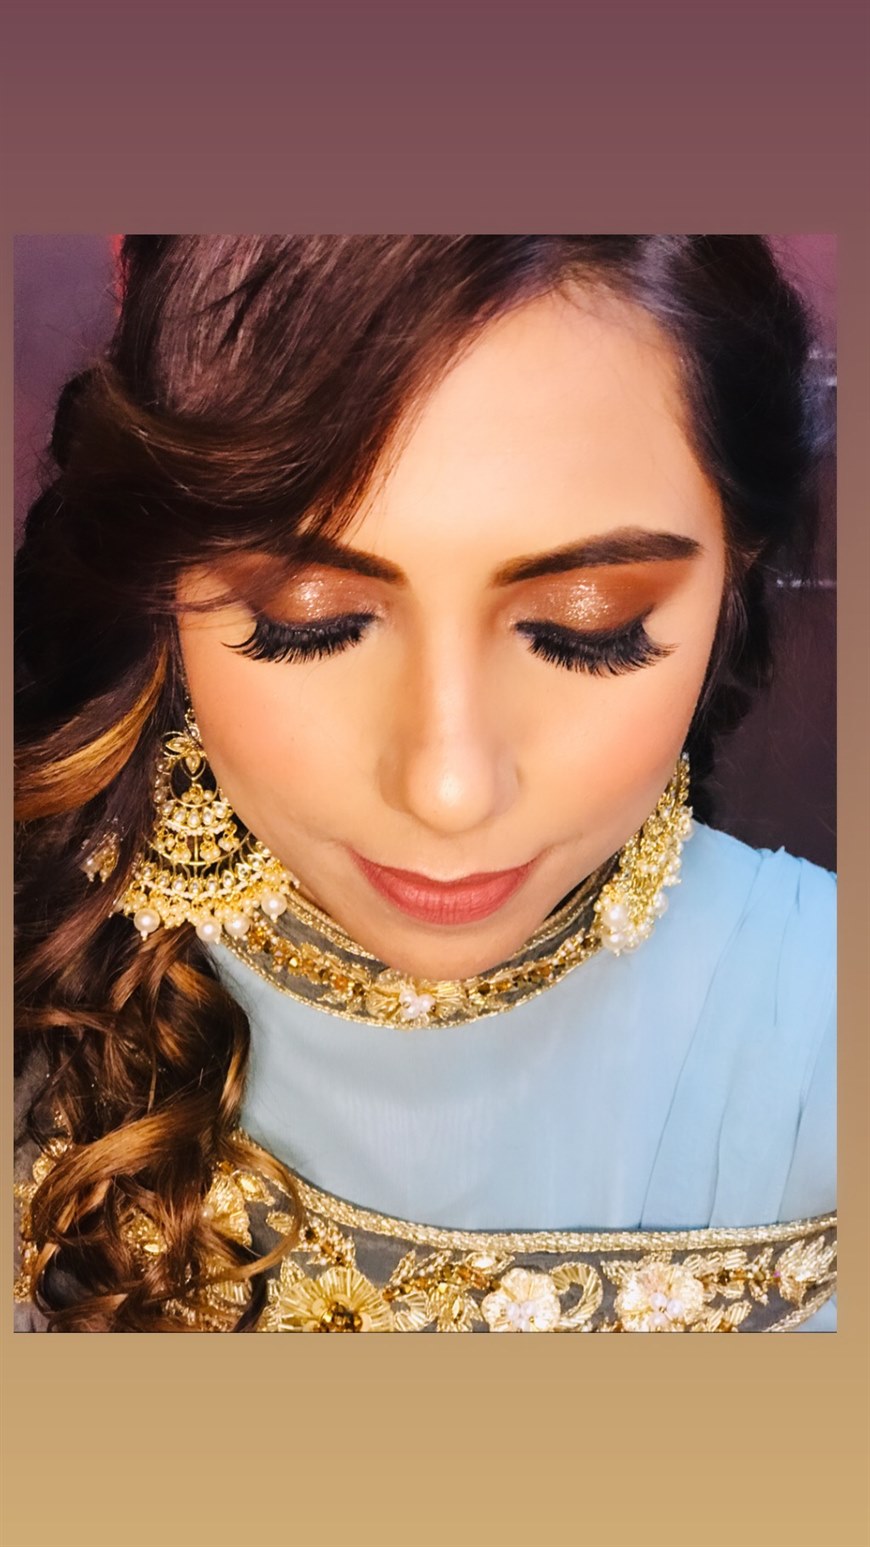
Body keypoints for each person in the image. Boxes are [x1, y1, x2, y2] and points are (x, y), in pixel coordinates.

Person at [14, 236, 836, 1334]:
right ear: (164, 588)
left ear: (733, 573)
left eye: (584, 626)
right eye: (311, 620)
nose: (448, 789)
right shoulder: (45, 983)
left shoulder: (820, 1026)